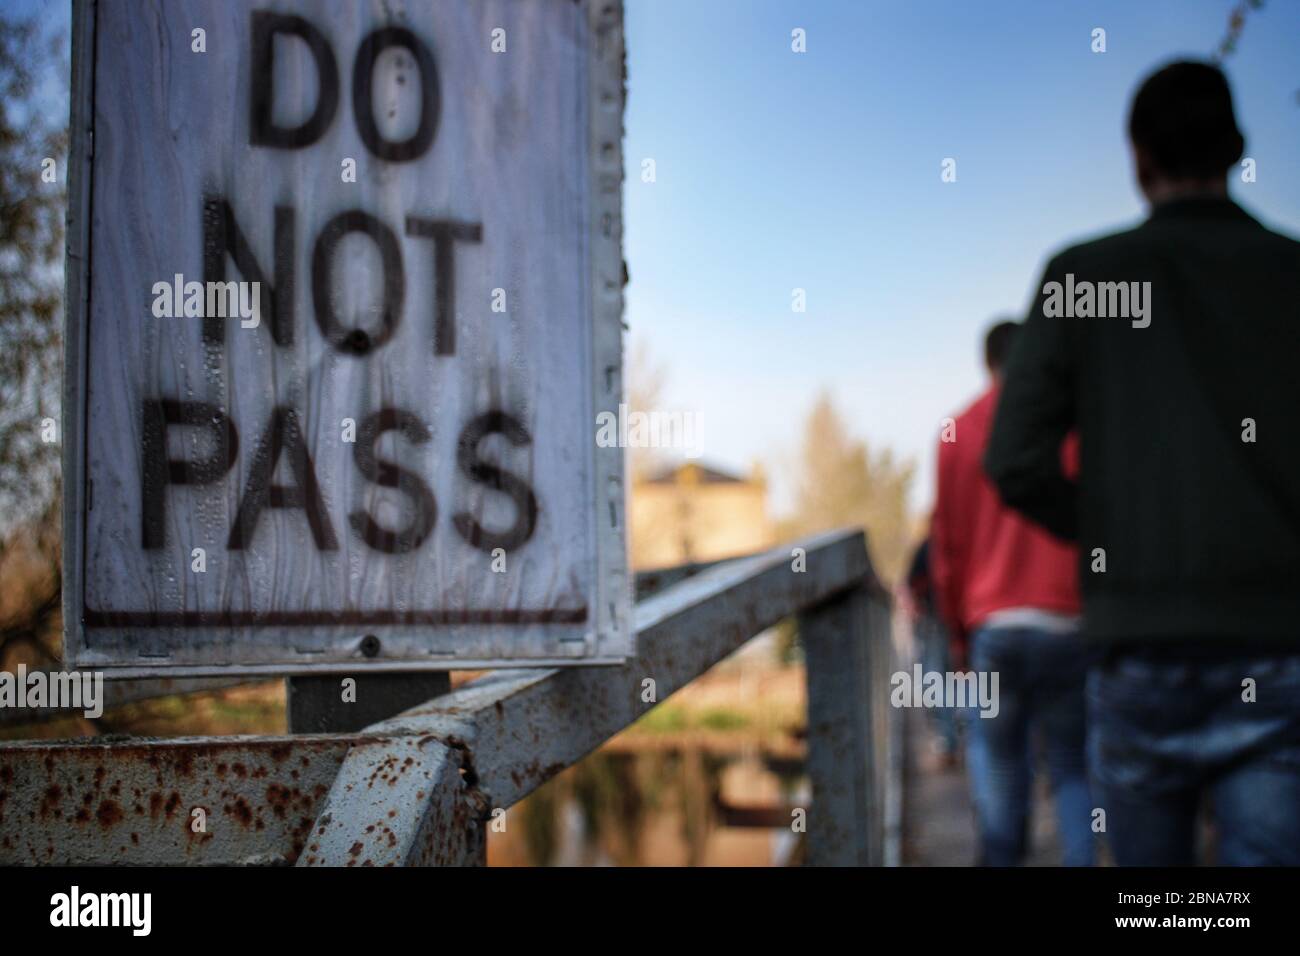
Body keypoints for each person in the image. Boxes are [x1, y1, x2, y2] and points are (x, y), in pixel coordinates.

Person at [985, 61, 1300, 866]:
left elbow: (1015, 458)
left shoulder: (1082, 277)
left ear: (1137, 156)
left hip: (1140, 642)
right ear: (1236, 146)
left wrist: (1112, 533)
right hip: (1278, 641)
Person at [931, 320, 1093, 866]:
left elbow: (946, 547)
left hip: (992, 624)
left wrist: (955, 635)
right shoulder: (1072, 425)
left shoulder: (958, 431)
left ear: (986, 363)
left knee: (1000, 767)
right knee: (1073, 766)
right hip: (1070, 621)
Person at [904, 537, 960, 765]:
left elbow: (913, 582)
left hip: (938, 619)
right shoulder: (942, 544)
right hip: (956, 618)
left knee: (937, 679)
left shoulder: (928, 545)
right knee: (956, 679)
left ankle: (948, 740)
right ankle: (953, 735)